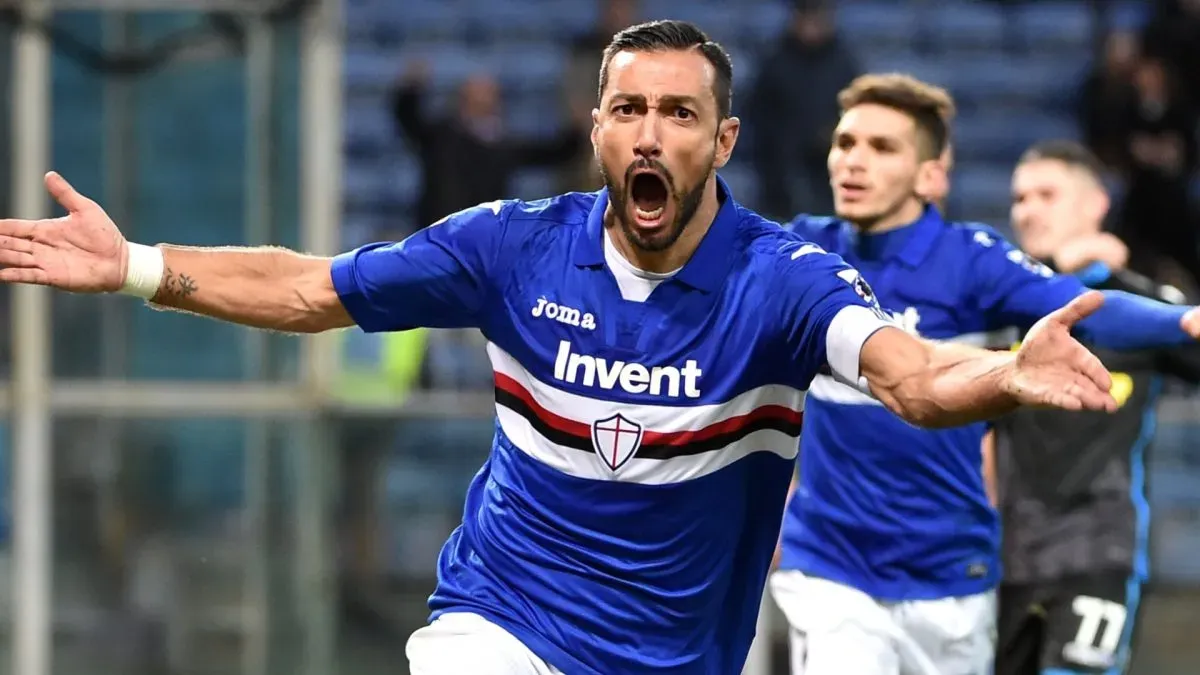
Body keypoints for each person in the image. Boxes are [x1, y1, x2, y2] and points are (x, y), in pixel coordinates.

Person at [0, 23, 1141, 675]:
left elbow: (916, 378)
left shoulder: (782, 280)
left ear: (723, 138)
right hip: (504, 621)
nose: (650, 133)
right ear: (596, 127)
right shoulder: (511, 248)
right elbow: (309, 288)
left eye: (679, 114)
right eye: (627, 109)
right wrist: (140, 265)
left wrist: (1002, 373)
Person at [773, 73, 1200, 675]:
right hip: (833, 571)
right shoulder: (803, 254)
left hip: (956, 576)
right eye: (845, 143)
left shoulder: (972, 261)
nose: (854, 161)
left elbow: (1083, 306)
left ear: (929, 175)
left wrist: (1184, 321)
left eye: (882, 147)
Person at [991, 140, 1200, 675]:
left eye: (1046, 194)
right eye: (1019, 197)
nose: (1027, 210)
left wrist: (1112, 279)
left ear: (1094, 205)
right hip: (1000, 560)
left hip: (1095, 552)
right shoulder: (999, 310)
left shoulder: (1140, 308)